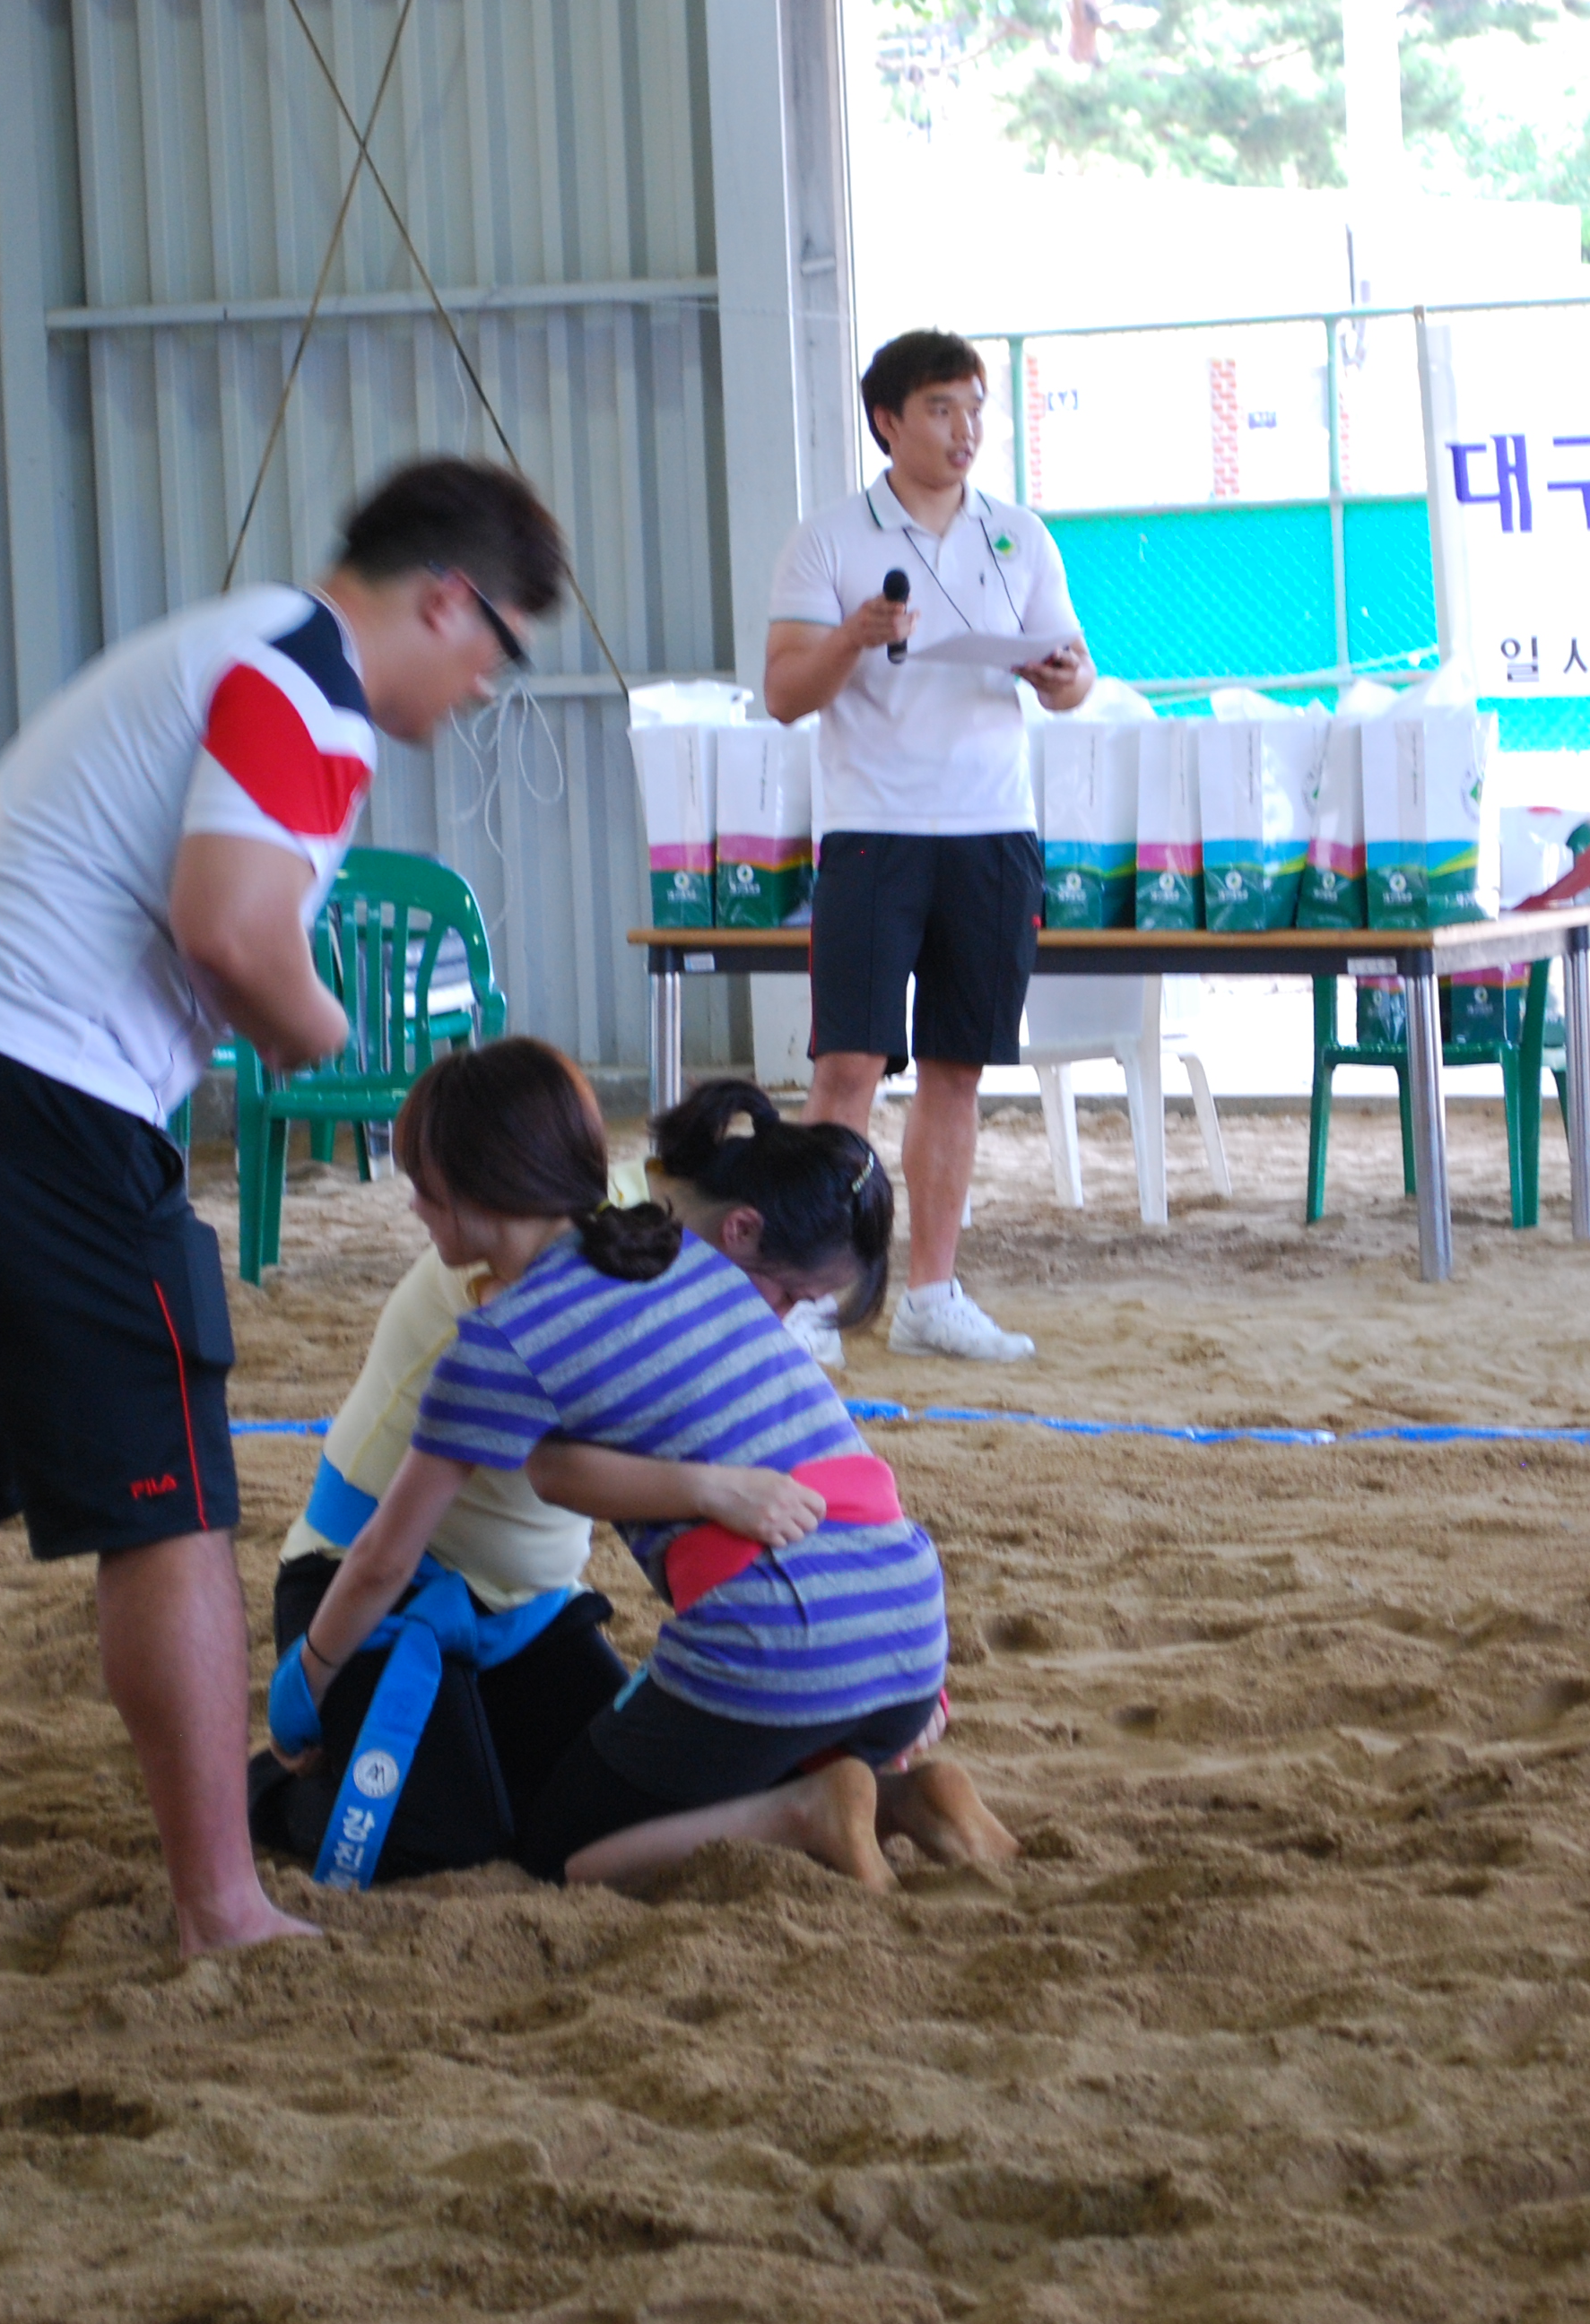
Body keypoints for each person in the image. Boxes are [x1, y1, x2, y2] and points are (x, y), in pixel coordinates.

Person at [0, 456, 565, 1957]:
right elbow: (229, 925)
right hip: (36, 1085)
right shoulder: (308, 681)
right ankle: (221, 1905)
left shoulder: (226, 642)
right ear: (446, 600)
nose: (487, 685)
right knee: (171, 1506)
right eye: (502, 647)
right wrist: (324, 1038)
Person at [271, 1040, 1014, 1891]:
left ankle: (806, 1812)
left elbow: (382, 1559)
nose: (414, 1208)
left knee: (560, 1852)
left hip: (771, 1643)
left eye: (423, 1188)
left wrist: (302, 1688)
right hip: (911, 1633)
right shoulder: (692, 1259)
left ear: (473, 1189)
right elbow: (554, 1471)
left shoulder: (500, 1340)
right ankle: (901, 1798)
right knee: (653, 1772)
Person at [764, 328, 1093, 1366]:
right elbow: (782, 694)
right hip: (871, 832)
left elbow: (1076, 677)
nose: (965, 430)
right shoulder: (827, 539)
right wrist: (851, 638)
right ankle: (811, 1298)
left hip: (993, 831)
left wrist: (1061, 678)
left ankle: (931, 1296)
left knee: (957, 1069)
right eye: (942, 408)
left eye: (975, 408)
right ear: (886, 420)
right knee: (846, 1067)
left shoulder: (1018, 535)